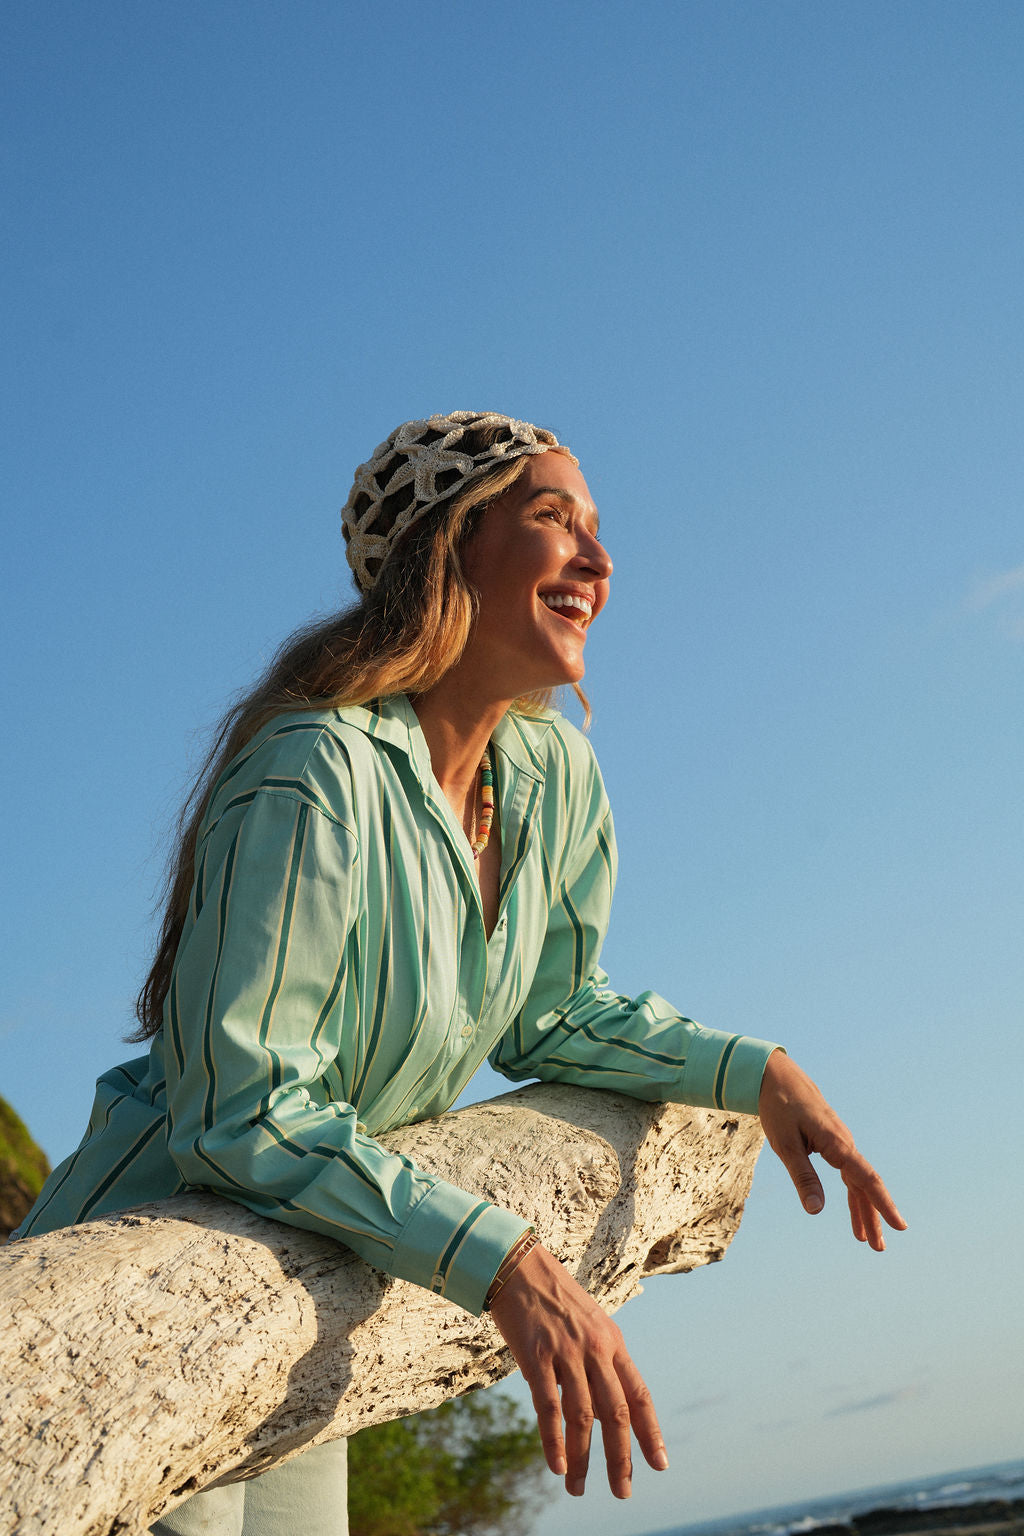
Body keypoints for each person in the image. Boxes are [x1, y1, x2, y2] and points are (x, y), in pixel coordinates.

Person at [15, 411, 905, 1534]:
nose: (599, 558)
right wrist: (506, 1265)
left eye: (596, 527)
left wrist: (753, 1069)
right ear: (450, 549)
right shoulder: (312, 775)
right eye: (554, 519)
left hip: (307, 1282)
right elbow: (239, 1115)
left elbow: (551, 1012)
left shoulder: (551, 774)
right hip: (133, 1301)